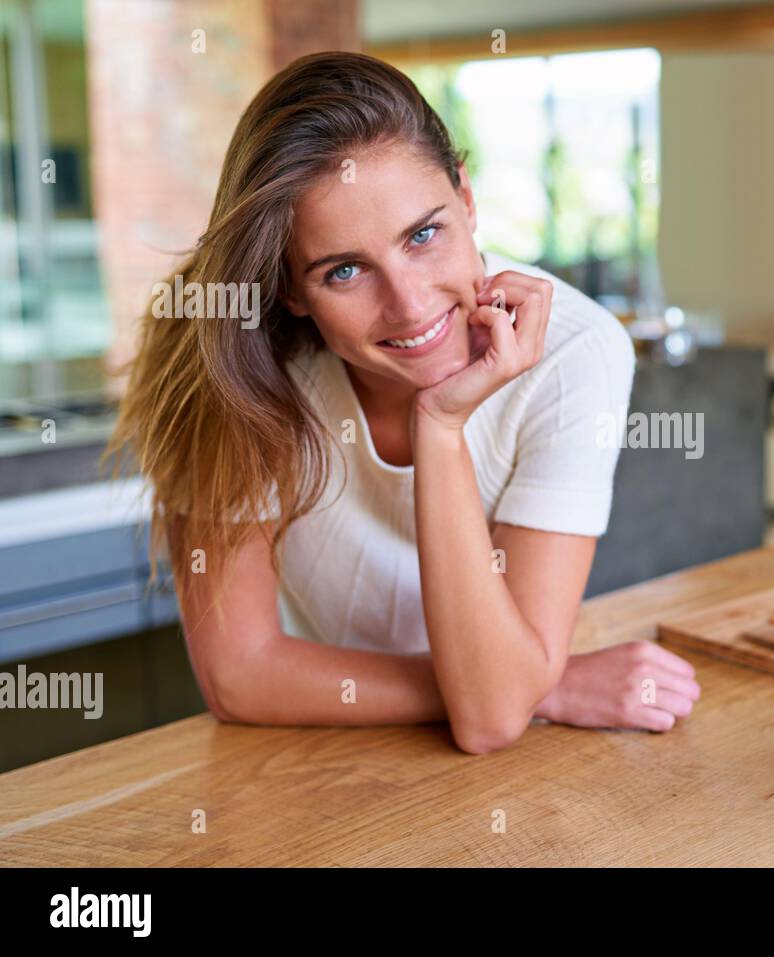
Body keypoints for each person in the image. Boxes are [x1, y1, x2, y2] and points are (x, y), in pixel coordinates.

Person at [105, 51, 699, 754]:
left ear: (467, 199)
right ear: (291, 290)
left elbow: (492, 718)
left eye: (424, 234)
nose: (410, 305)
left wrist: (440, 425)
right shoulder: (227, 369)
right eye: (345, 270)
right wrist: (544, 685)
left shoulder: (575, 350)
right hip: (306, 756)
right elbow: (240, 676)